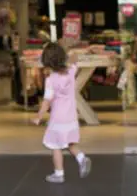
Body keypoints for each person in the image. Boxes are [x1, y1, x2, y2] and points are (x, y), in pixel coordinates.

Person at [31, 42, 92, 184]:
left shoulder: (50, 80)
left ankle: (59, 174)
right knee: (70, 142)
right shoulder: (71, 71)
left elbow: (47, 101)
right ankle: (82, 158)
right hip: (71, 116)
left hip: (57, 118)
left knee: (55, 146)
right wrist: (69, 53)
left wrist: (39, 116)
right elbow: (75, 57)